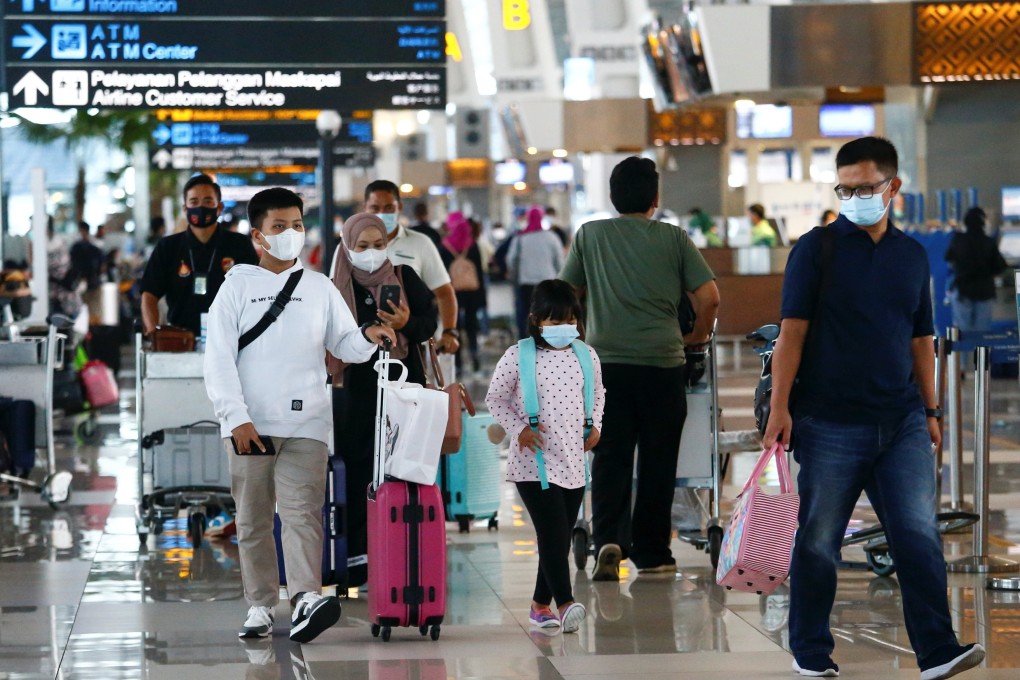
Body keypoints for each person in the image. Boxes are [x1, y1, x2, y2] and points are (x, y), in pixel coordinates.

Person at [763, 136, 984, 680]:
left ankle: (937, 651)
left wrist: (931, 411)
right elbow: (791, 333)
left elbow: (921, 339)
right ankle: (811, 650)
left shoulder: (911, 256)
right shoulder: (816, 249)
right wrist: (780, 409)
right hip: (830, 420)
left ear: (893, 187)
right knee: (818, 540)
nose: (856, 196)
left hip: (902, 419)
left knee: (917, 535)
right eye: (846, 188)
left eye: (866, 187)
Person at [204, 188, 395, 643]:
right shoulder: (237, 287)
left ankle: (306, 596)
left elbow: (344, 344)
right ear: (257, 236)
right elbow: (217, 360)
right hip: (250, 423)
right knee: (251, 521)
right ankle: (260, 603)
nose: (290, 234)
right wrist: (236, 418)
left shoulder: (318, 287)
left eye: (296, 225)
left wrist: (369, 335)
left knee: (302, 515)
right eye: (278, 227)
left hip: (308, 420)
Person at [559, 156, 720, 580]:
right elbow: (710, 298)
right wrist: (696, 337)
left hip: (605, 366)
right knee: (658, 458)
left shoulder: (589, 236)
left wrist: (581, 333)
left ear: (613, 197)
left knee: (609, 455)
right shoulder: (675, 239)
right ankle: (652, 552)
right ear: (655, 197)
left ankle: (609, 539)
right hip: (663, 365)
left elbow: (566, 294)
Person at [485, 279, 605, 633]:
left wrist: (595, 424)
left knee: (559, 537)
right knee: (552, 533)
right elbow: (496, 399)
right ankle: (566, 603)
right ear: (536, 320)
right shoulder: (518, 355)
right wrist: (520, 429)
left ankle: (540, 606)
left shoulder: (586, 355)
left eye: (569, 321)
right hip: (532, 465)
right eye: (554, 323)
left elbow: (598, 392)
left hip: (573, 462)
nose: (563, 329)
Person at [327, 212, 437, 588]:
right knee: (357, 469)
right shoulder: (335, 287)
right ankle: (358, 558)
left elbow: (429, 325)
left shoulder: (404, 278)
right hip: (355, 392)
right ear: (347, 247)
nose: (371, 253)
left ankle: (403, 550)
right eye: (362, 246)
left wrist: (406, 323)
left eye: (378, 245)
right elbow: (328, 334)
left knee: (404, 467)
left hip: (404, 388)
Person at [331, 181, 460, 356]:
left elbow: (443, 293)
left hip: (404, 352)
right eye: (375, 208)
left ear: (399, 206)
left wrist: (448, 331)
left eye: (389, 208)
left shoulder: (419, 245)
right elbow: (335, 294)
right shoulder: (345, 249)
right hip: (354, 360)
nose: (382, 214)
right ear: (365, 207)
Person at [141, 174, 258, 336]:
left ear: (219, 208)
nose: (201, 207)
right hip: (181, 341)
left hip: (232, 339)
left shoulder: (239, 244)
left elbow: (255, 291)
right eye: (194, 202)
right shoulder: (168, 247)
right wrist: (153, 332)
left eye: (208, 201)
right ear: (185, 209)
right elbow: (149, 293)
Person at [945, 206, 1006, 333]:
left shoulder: (958, 240)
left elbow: (949, 259)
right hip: (984, 290)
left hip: (963, 289)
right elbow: (1000, 266)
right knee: (982, 333)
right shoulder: (988, 242)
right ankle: (980, 353)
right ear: (983, 223)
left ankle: (964, 353)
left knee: (963, 333)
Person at [508, 206, 565, 339]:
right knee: (548, 316)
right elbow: (560, 262)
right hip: (548, 284)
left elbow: (511, 260)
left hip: (526, 284)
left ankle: (527, 344)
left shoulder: (520, 238)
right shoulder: (552, 237)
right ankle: (548, 345)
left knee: (526, 316)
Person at [442, 211, 487, 374]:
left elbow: (442, 274)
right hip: (472, 292)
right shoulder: (472, 245)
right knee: (472, 325)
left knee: (455, 326)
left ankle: (459, 362)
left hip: (452, 293)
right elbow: (480, 274)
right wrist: (483, 298)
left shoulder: (445, 246)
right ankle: (475, 356)